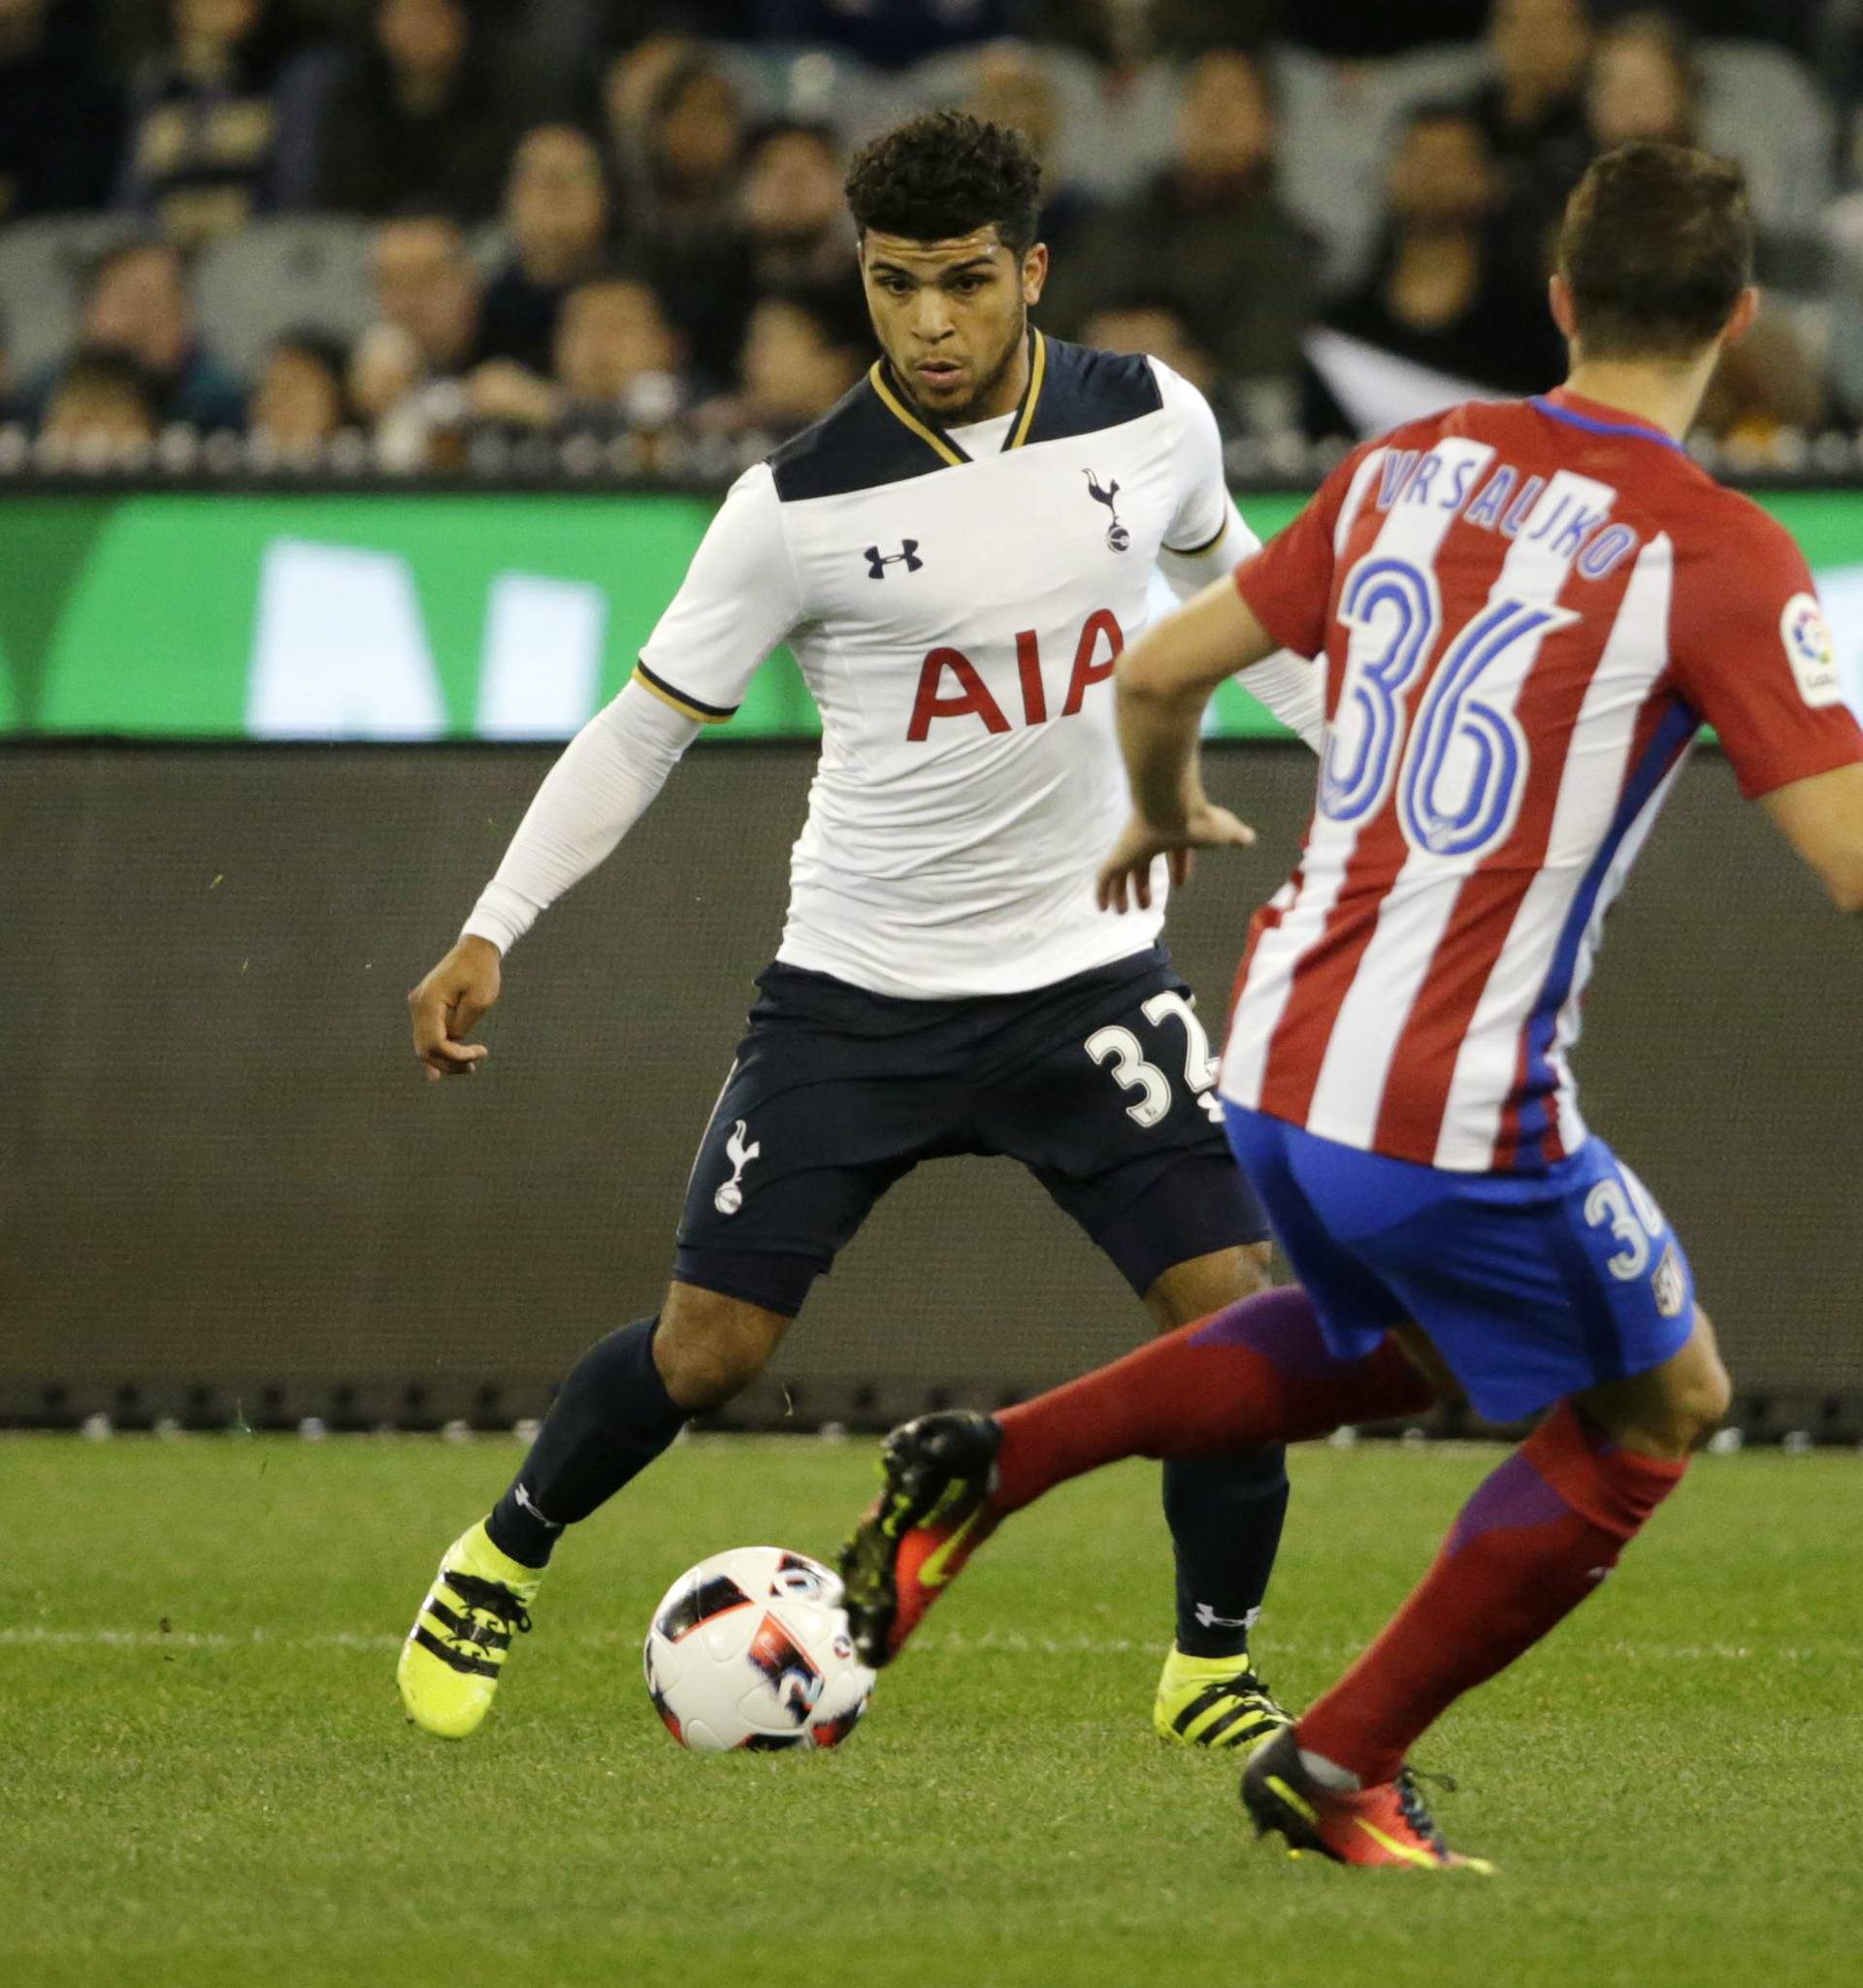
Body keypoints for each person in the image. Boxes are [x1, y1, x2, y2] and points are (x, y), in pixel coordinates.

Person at [834, 142, 1863, 1870]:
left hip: (1284, 1053)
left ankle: (992, 1460)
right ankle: (1336, 1765)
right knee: (1658, 1407)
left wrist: (1157, 813)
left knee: (1397, 1346)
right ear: (1742, 323)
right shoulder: (1723, 552)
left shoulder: (1413, 462)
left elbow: (1161, 669)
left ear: (1556, 299)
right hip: (1452, 1103)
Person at [398, 112, 1326, 1751]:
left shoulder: (1153, 423)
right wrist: (494, 924)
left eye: (968, 284)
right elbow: (640, 728)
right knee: (708, 1350)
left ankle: (1211, 1663)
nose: (934, 325)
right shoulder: (798, 504)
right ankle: (504, 1548)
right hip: (858, 997)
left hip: (1084, 977)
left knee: (1240, 1314)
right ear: (864, 282)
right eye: (896, 287)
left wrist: (1391, 774)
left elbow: (1243, 611)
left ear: (1031, 272)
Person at [1044, 49, 1319, 437]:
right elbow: (1052, 314)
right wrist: (1099, 338)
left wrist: (1173, 355)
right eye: (1200, 96)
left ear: (1269, 125)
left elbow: (1267, 364)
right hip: (1091, 418)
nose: (1214, 113)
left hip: (1222, 434)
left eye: (1234, 99)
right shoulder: (1120, 219)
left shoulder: (1289, 246)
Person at [1320, 104, 1565, 400]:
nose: (1432, 172)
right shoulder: (1342, 326)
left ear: (1489, 180)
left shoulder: (1531, 325)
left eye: (1450, 159)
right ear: (1388, 175)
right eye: (1416, 155)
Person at [479, 124, 614, 376]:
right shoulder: (481, 305)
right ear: (508, 199)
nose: (554, 197)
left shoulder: (638, 296)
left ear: (603, 197)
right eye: (538, 181)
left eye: (569, 180)